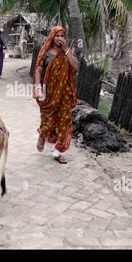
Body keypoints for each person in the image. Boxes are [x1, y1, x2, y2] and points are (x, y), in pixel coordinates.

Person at [32, 26, 78, 164]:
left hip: (65, 94)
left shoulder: (66, 53)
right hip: (49, 93)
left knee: (64, 120)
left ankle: (58, 152)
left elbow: (75, 66)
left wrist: (66, 50)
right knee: (49, 120)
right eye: (58, 35)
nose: (60, 38)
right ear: (52, 36)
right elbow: (38, 70)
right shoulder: (46, 52)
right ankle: (42, 134)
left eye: (63, 36)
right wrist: (38, 87)